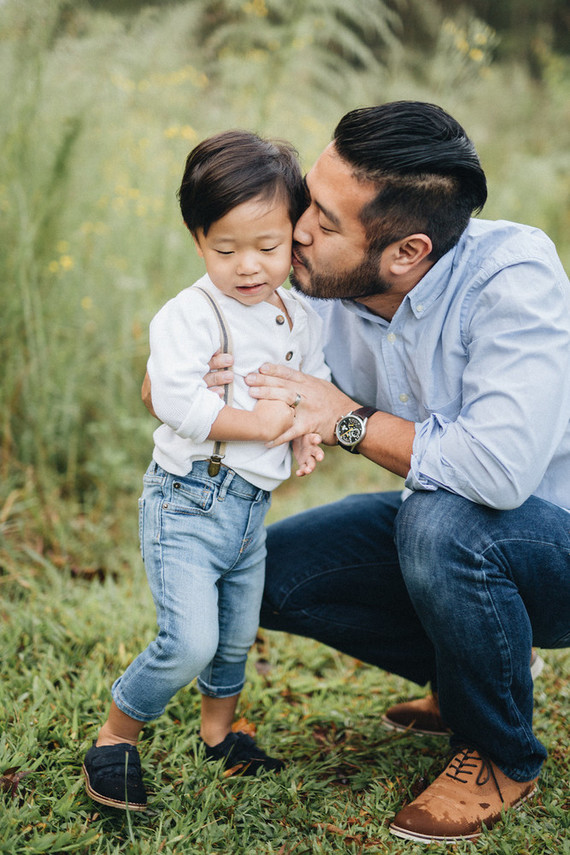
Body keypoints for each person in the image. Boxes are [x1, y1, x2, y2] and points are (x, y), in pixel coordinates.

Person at [198, 102, 570, 843]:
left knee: (440, 520)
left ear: (406, 252)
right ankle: (477, 668)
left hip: (550, 540)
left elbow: (495, 474)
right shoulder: (317, 288)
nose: (297, 227)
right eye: (308, 196)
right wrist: (206, 385)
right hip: (453, 529)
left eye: (327, 222)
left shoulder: (512, 277)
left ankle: (501, 751)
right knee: (254, 573)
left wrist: (345, 420)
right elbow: (273, 393)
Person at [83, 130, 330, 811]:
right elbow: (171, 396)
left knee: (232, 638)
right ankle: (114, 737)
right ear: (198, 240)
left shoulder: (300, 316)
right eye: (226, 249)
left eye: (267, 247)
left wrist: (305, 432)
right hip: (188, 501)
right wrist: (256, 424)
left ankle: (219, 734)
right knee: (188, 640)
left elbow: (314, 385)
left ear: (294, 236)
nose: (248, 266)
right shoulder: (191, 315)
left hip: (251, 511)